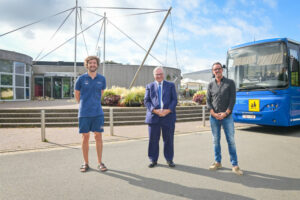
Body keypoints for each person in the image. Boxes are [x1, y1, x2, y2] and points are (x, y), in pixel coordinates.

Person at [206, 62, 243, 175]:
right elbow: (208, 101)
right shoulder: (210, 84)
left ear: (222, 70)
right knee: (215, 141)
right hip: (214, 117)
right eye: (215, 69)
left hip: (227, 117)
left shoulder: (230, 83)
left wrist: (226, 113)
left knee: (231, 141)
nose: (217, 71)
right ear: (213, 72)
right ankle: (218, 162)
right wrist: (213, 113)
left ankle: (235, 165)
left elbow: (232, 100)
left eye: (219, 69)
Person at [75, 56, 107, 172]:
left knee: (98, 136)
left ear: (97, 65)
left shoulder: (102, 79)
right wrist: (85, 105)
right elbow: (77, 95)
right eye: (90, 63)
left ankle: (100, 162)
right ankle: (86, 163)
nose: (92, 65)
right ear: (87, 65)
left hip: (98, 113)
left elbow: (101, 93)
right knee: (85, 137)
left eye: (94, 63)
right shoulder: (81, 79)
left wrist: (93, 103)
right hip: (84, 113)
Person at [144, 67, 178, 168]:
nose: (159, 76)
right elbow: (147, 101)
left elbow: (174, 100)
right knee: (153, 140)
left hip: (168, 116)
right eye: (156, 74)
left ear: (163, 74)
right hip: (154, 116)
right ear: (154, 75)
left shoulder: (171, 85)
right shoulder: (149, 86)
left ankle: (169, 159)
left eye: (160, 74)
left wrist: (167, 111)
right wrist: (154, 110)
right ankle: (153, 160)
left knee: (168, 139)